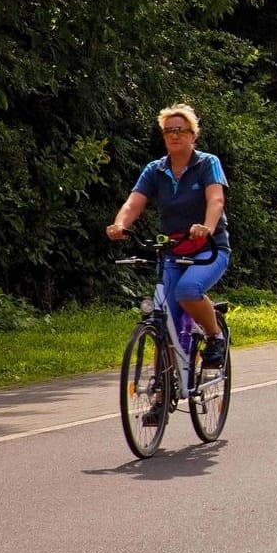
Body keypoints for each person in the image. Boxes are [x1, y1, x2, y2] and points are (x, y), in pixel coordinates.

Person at [106, 104, 231, 369]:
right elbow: (133, 204)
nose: (174, 135)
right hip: (173, 249)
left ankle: (215, 336)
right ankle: (160, 394)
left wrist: (207, 226)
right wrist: (119, 224)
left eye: (181, 130)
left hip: (208, 248)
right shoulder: (155, 170)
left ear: (193, 135)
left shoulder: (207, 163)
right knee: (166, 322)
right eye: (168, 131)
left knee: (188, 290)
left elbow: (216, 200)